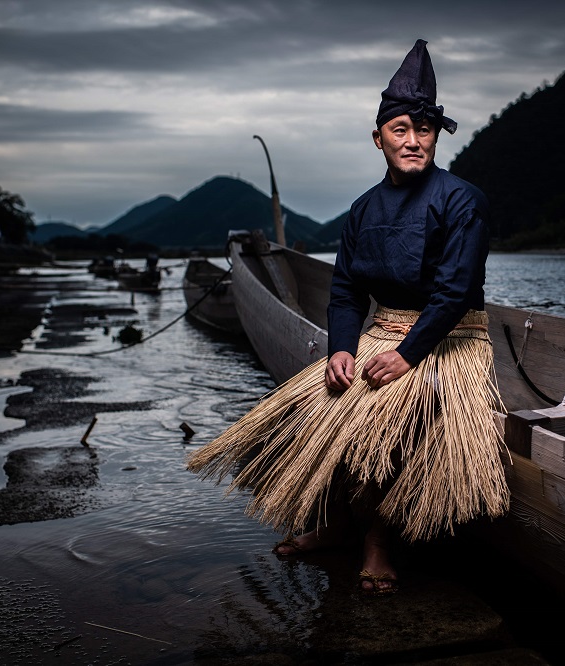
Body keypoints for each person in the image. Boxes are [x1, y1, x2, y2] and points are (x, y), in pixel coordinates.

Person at [186, 38, 510, 596]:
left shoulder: (463, 200)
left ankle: (379, 542)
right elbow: (345, 292)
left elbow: (454, 293)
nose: (413, 141)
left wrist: (408, 357)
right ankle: (335, 524)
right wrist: (340, 348)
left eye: (424, 130)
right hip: (379, 335)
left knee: (389, 415)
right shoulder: (363, 210)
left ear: (436, 135)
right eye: (400, 130)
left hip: (449, 344)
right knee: (323, 403)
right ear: (378, 138)